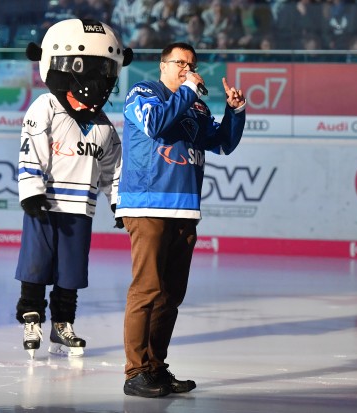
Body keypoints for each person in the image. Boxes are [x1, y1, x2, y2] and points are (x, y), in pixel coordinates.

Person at [115, 42, 246, 397]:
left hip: (185, 208)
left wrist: (235, 112)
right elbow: (155, 125)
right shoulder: (142, 93)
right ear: (162, 66)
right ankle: (135, 371)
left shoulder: (196, 105)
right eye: (179, 63)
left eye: (191, 64)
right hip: (148, 205)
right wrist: (188, 90)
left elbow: (222, 144)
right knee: (147, 290)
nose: (187, 68)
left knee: (171, 295)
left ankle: (155, 367)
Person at [14, 18, 132, 359]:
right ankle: (31, 319)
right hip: (46, 204)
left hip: (80, 207)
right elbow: (31, 148)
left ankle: (62, 323)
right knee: (36, 264)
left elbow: (113, 169)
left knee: (72, 271)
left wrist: (118, 204)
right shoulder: (45, 107)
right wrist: (32, 190)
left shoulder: (104, 126)